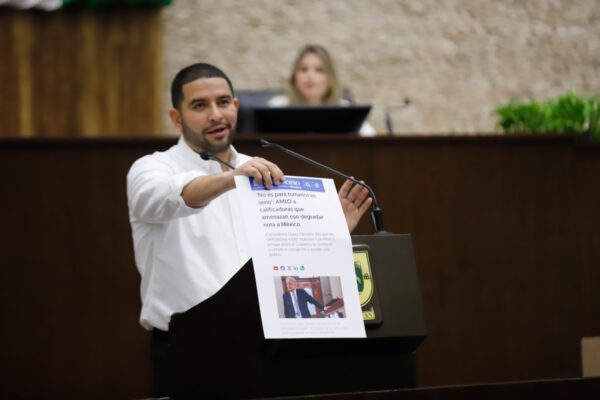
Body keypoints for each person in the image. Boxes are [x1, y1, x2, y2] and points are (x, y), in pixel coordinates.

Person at [126, 62, 372, 396]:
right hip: (188, 350)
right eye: (199, 105)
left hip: (263, 348)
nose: (215, 114)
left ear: (236, 106)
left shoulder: (260, 170)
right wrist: (230, 179)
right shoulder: (151, 169)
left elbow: (283, 264)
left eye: (223, 102)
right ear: (176, 118)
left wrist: (329, 233)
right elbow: (167, 196)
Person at [268, 44, 376, 137]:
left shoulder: (344, 109)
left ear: (330, 78)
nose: (310, 76)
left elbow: (370, 138)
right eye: (304, 69)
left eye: (319, 70)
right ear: (294, 77)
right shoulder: (278, 106)